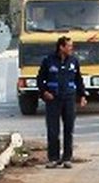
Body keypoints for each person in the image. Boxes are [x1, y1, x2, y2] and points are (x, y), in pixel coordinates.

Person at [36, 36, 87, 168]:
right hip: (53, 100)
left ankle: (67, 158)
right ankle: (53, 158)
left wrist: (82, 95)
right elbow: (40, 79)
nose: (71, 48)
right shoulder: (48, 61)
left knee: (68, 129)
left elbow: (78, 79)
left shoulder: (73, 61)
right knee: (53, 130)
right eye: (69, 46)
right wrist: (44, 92)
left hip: (69, 99)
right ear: (61, 47)